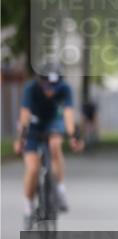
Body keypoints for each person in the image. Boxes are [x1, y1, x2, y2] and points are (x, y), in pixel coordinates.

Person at [15, 64, 84, 230]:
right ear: (40, 81)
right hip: (34, 124)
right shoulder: (31, 88)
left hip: (53, 122)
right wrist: (21, 139)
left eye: (54, 86)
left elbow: (68, 115)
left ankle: (59, 189)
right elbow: (24, 115)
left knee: (55, 144)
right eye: (47, 86)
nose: (50, 91)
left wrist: (74, 136)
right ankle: (28, 206)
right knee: (32, 168)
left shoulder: (65, 89)